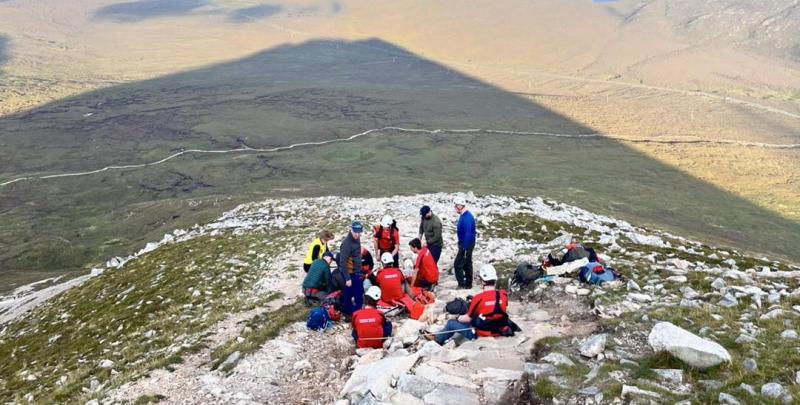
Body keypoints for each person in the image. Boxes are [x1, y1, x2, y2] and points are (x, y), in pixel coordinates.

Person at [426, 264, 513, 345]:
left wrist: (455, 317)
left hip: (483, 335)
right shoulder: (503, 295)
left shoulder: (478, 298)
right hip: (500, 331)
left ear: (482, 281)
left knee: (451, 323)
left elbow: (467, 319)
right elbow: (497, 310)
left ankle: (437, 339)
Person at [339, 221, 364, 320]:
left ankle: (357, 313)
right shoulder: (346, 244)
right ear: (351, 230)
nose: (357, 234)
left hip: (357, 271)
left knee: (358, 294)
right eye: (355, 232)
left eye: (359, 232)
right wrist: (347, 278)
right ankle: (349, 315)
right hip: (350, 273)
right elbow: (342, 262)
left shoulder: (357, 238)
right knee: (348, 295)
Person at [453, 196, 476, 289]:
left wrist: (464, 248)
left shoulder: (466, 217)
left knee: (458, 264)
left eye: (455, 206)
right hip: (467, 243)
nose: (454, 208)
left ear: (459, 206)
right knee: (467, 263)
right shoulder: (465, 215)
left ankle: (462, 284)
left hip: (466, 244)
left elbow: (468, 233)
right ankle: (468, 284)